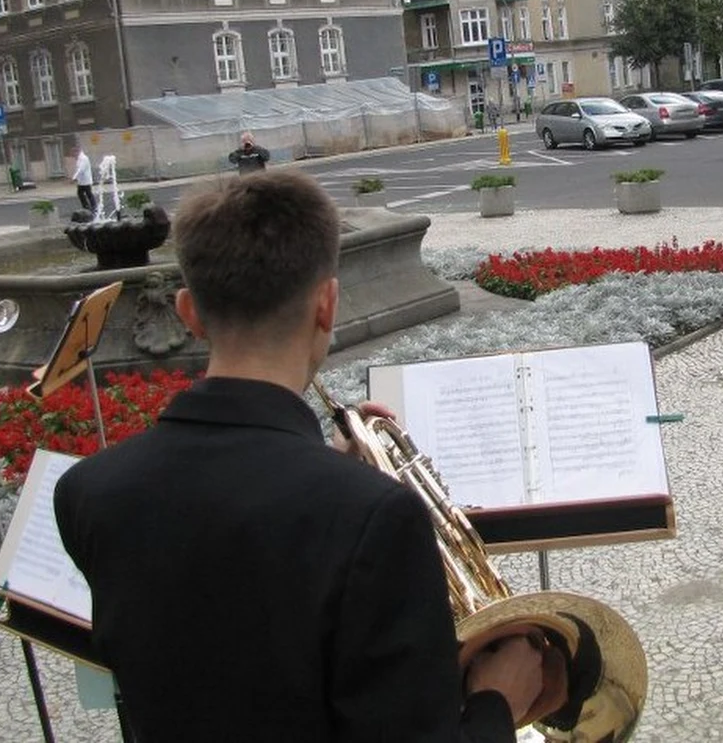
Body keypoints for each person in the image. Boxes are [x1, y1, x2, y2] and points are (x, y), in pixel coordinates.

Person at [54, 170, 545, 743]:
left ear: (188, 313)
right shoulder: (376, 517)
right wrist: (497, 704)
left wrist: (328, 473)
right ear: (327, 305)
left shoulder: (88, 491)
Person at [71, 144, 94, 212]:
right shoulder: (79, 158)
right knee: (81, 193)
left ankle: (92, 206)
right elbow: (78, 169)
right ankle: (87, 206)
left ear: (77, 151)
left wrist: (74, 178)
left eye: (73, 152)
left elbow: (81, 169)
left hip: (86, 180)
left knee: (88, 194)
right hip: (82, 181)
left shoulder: (84, 158)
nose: (73, 155)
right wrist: (75, 177)